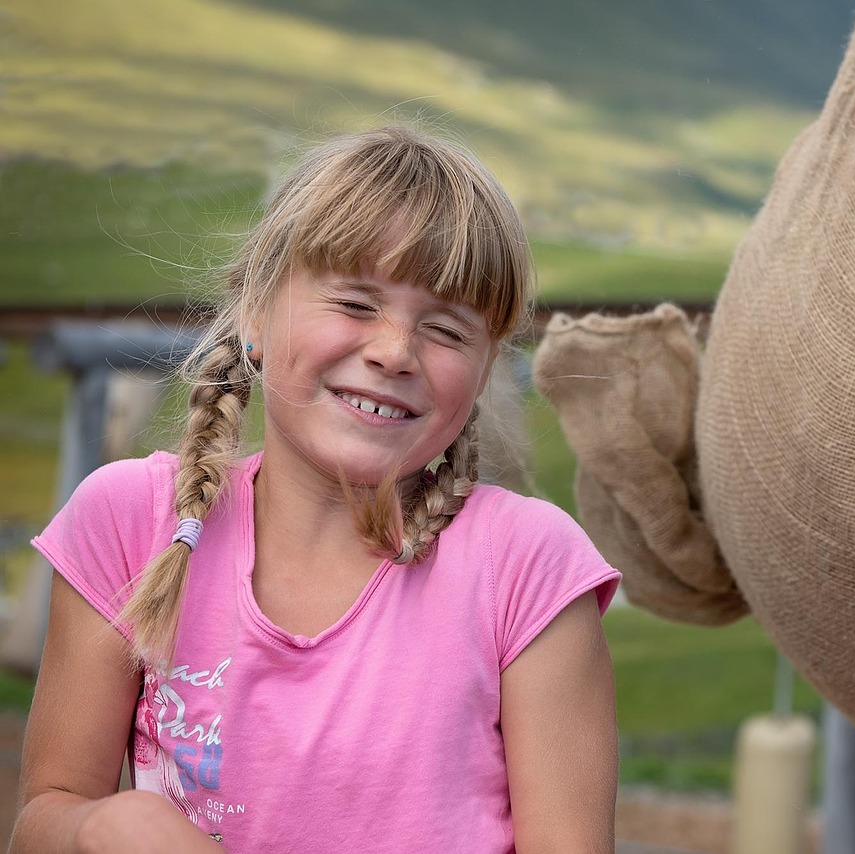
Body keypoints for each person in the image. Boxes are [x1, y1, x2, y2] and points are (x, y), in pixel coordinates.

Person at [10, 126, 622, 853]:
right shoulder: (130, 522)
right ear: (256, 315)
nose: (394, 352)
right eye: (356, 305)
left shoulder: (528, 567)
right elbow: (43, 816)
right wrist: (104, 826)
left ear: (487, 366)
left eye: (447, 330)